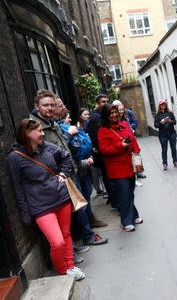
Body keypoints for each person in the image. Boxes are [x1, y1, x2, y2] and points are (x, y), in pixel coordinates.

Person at [7, 118, 85, 281]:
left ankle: (70, 266)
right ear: (27, 134)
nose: (43, 133)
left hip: (61, 198)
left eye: (42, 130)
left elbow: (65, 157)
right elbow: (18, 188)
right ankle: (64, 271)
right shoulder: (15, 158)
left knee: (66, 234)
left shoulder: (47, 147)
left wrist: (63, 174)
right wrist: (25, 213)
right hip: (40, 206)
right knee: (57, 242)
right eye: (39, 131)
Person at [29, 90, 108, 246]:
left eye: (52, 105)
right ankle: (81, 240)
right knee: (72, 211)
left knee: (78, 206)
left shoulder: (51, 123)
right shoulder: (35, 126)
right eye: (46, 105)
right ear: (36, 106)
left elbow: (62, 148)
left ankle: (84, 238)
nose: (50, 108)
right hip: (56, 177)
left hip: (68, 172)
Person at [97, 104, 143, 231]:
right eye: (110, 113)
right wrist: (120, 146)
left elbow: (133, 140)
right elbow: (104, 150)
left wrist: (136, 150)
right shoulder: (103, 130)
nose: (114, 115)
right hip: (116, 169)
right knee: (124, 194)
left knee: (130, 192)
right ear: (106, 116)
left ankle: (134, 215)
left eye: (115, 112)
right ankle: (126, 221)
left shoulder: (124, 124)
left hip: (130, 165)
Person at [113, 100, 146, 185]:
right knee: (129, 161)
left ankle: (137, 173)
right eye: (118, 109)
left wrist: (131, 128)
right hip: (123, 143)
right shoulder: (115, 119)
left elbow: (135, 122)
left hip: (130, 139)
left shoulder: (128, 114)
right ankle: (131, 178)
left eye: (121, 109)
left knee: (135, 157)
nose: (120, 111)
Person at [154, 99, 177, 170]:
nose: (163, 105)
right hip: (162, 135)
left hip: (172, 133)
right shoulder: (157, 115)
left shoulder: (170, 113)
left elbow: (175, 122)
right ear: (159, 105)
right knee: (164, 149)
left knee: (173, 148)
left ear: (166, 105)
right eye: (162, 104)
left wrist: (170, 121)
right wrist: (161, 122)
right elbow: (156, 125)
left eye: (164, 104)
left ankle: (175, 161)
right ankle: (164, 163)